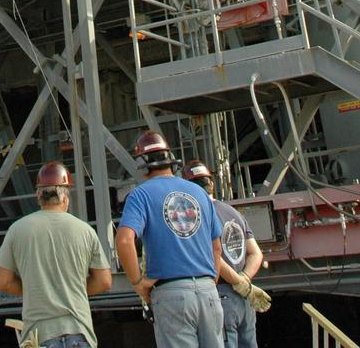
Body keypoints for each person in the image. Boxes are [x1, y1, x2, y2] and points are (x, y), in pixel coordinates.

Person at [116, 130, 223, 348]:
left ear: (142, 163)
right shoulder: (199, 193)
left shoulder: (141, 194)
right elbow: (217, 248)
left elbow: (125, 241)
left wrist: (138, 283)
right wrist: (211, 281)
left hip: (172, 294)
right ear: (170, 159)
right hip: (208, 290)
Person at [0, 160, 112, 348]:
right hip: (79, 332)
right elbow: (104, 281)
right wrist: (72, 292)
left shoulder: (17, 230)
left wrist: (39, 291)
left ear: (38, 196)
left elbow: (4, 282)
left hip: (39, 334)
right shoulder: (85, 230)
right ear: (65, 197)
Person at [182, 160, 270, 348]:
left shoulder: (196, 216)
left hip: (221, 295)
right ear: (211, 183)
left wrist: (237, 282)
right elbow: (255, 253)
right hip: (245, 298)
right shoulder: (233, 212)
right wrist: (244, 280)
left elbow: (214, 256)